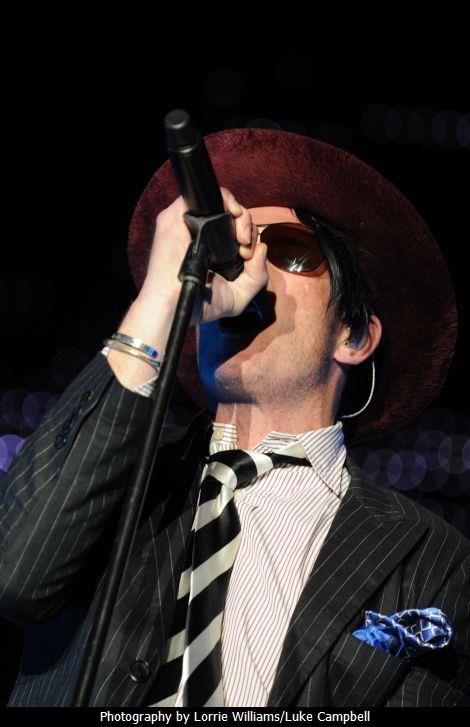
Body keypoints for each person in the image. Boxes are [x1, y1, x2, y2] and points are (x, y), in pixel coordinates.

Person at [0, 127, 469, 708]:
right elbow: (18, 573)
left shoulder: (432, 559)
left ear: (353, 336)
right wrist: (163, 297)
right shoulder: (117, 478)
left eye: (290, 251)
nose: (248, 269)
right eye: (234, 247)